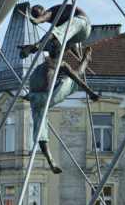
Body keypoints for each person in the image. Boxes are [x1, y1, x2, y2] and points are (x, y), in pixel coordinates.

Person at [28, 46, 99, 174]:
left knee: (40, 131)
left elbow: (37, 84)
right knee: (75, 77)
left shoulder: (38, 67)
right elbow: (78, 79)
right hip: (46, 97)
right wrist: (90, 92)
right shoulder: (60, 63)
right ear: (61, 53)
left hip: (33, 97)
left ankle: (50, 160)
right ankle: (86, 58)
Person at [18, 4, 90, 59]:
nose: (36, 16)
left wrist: (37, 20)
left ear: (41, 9)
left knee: (53, 33)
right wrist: (79, 58)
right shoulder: (60, 24)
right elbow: (72, 45)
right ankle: (56, 66)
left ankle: (36, 45)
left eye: (37, 15)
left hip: (83, 21)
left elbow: (44, 17)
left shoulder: (51, 12)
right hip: (81, 35)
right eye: (35, 16)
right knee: (54, 45)